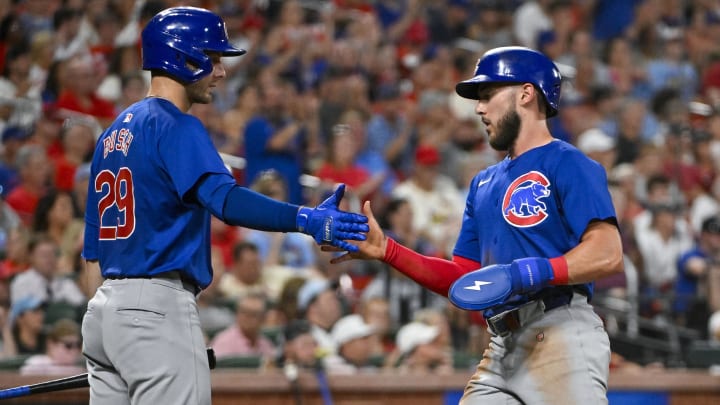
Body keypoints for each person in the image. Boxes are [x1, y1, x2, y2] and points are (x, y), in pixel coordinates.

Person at [80, 7, 368, 405]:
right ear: (183, 57)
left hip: (104, 312)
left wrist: (112, 329)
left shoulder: (111, 133)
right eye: (212, 59)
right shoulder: (175, 124)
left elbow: (92, 254)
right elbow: (226, 200)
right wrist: (304, 218)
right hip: (156, 308)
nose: (220, 71)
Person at [328, 46, 624, 404]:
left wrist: (530, 273)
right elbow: (466, 280)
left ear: (527, 93)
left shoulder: (568, 163)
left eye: (487, 95)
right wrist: (389, 251)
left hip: (560, 331)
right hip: (502, 343)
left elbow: (607, 252)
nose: (479, 108)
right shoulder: (483, 183)